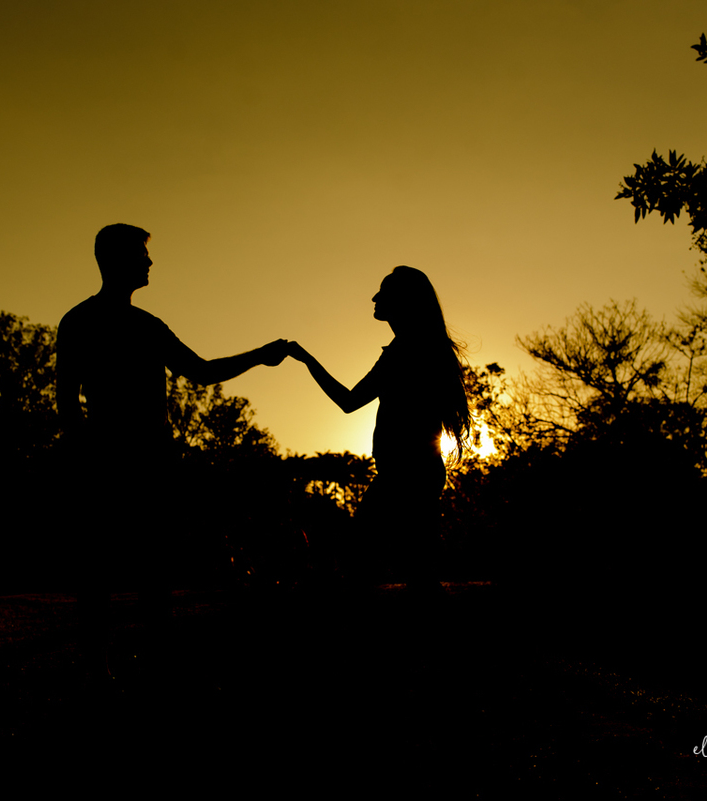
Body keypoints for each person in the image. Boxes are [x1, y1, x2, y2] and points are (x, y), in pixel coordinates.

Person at [56, 223, 288, 679]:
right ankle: (102, 665)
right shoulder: (88, 322)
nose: (149, 262)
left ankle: (145, 663)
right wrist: (84, 453)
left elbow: (199, 371)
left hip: (146, 460)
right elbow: (66, 399)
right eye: (142, 255)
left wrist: (259, 355)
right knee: (110, 564)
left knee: (146, 564)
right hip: (116, 459)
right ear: (117, 260)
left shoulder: (134, 324)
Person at [287, 266, 470, 592]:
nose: (374, 297)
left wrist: (305, 360)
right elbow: (351, 401)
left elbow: (348, 401)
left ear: (403, 300)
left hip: (406, 474)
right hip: (417, 472)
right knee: (412, 569)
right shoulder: (415, 348)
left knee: (368, 559)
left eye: (383, 291)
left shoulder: (406, 352)